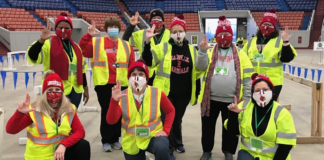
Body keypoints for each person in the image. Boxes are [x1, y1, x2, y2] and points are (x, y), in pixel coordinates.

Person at [142, 15, 202, 159]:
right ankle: (167, 147)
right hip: (166, 92)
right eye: (174, 31)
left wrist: (197, 92)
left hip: (184, 93)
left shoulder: (192, 49)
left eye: (180, 31)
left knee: (177, 118)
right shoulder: (163, 47)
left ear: (185, 32)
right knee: (166, 118)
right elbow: (149, 61)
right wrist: (147, 42)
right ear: (171, 33)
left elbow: (197, 73)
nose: (177, 34)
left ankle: (177, 142)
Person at [195, 15, 254, 160]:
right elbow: (199, 67)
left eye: (227, 34)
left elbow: (247, 79)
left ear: (232, 36)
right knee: (207, 128)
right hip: (210, 99)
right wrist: (202, 52)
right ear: (215, 36)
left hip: (232, 100)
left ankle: (228, 152)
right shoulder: (209, 52)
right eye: (220, 34)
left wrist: (245, 99)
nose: (223, 37)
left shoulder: (241, 54)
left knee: (230, 128)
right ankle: (207, 151)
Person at [78, 16, 135, 152]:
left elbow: (132, 64)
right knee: (107, 111)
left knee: (119, 111)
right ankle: (106, 140)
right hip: (103, 84)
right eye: (110, 27)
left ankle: (116, 139)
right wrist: (87, 36)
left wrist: (133, 82)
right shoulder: (97, 42)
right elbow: (82, 50)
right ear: (106, 29)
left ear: (119, 29)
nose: (113, 29)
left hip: (122, 84)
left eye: (115, 27)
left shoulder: (126, 45)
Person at [6, 71, 91, 160]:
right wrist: (19, 113)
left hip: (59, 155)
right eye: (50, 90)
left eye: (57, 90)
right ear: (44, 93)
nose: (54, 93)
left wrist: (64, 144)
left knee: (83, 145)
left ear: (62, 92)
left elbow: (80, 132)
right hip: (39, 157)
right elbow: (11, 130)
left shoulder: (69, 108)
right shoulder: (34, 110)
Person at [107, 59, 175, 160]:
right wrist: (114, 101)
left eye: (141, 74)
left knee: (162, 147)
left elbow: (170, 110)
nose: (137, 77)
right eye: (133, 74)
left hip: (153, 136)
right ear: (129, 78)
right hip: (132, 141)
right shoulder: (122, 95)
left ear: (146, 78)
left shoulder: (157, 93)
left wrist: (166, 131)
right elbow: (111, 121)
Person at [225, 73, 297, 160]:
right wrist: (233, 114)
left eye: (265, 89)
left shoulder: (282, 113)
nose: (261, 93)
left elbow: (286, 146)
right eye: (257, 90)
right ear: (252, 94)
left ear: (272, 92)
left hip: (272, 157)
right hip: (248, 154)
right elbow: (234, 132)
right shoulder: (244, 106)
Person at [27, 12, 89, 108]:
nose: (64, 30)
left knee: (71, 118)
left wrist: (86, 88)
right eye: (60, 27)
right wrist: (41, 41)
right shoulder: (48, 43)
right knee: (56, 119)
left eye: (67, 27)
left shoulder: (76, 47)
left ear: (71, 30)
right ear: (55, 29)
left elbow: (82, 70)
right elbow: (33, 56)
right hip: (56, 90)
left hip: (76, 90)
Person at [242, 9, 297, 100]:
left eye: (270, 25)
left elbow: (287, 58)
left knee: (268, 108)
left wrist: (286, 42)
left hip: (272, 83)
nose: (266, 27)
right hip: (253, 81)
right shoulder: (251, 41)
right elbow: (242, 57)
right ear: (260, 26)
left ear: (274, 28)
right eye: (264, 24)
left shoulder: (279, 41)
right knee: (253, 107)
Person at [122, 9, 171, 86]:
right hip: (145, 74)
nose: (156, 20)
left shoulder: (170, 34)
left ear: (162, 20)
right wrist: (131, 26)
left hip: (164, 78)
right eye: (153, 18)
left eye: (158, 18)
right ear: (150, 21)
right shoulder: (142, 34)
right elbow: (125, 41)